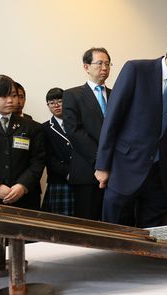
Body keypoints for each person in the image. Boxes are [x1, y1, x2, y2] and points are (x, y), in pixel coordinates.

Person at [95, 24, 167, 227]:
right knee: (115, 229)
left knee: (153, 232)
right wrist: (102, 166)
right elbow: (112, 119)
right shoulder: (137, 70)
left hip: (161, 175)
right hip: (126, 167)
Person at [0, 74, 45, 210]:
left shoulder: (32, 127)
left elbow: (38, 161)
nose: (10, 100)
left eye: (14, 95)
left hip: (25, 200)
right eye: (3, 96)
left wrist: (22, 185)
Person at [63, 47, 112, 220]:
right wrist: (101, 161)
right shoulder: (72, 95)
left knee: (113, 223)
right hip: (87, 170)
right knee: (87, 223)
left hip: (115, 170)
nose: (104, 67)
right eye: (99, 63)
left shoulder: (116, 95)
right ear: (86, 67)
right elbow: (74, 131)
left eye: (107, 63)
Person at [41, 88, 74, 216]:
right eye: (51, 102)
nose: (56, 105)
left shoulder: (78, 124)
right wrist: (67, 173)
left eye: (60, 101)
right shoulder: (44, 128)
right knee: (59, 222)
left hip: (81, 178)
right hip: (59, 180)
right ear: (48, 105)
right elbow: (47, 157)